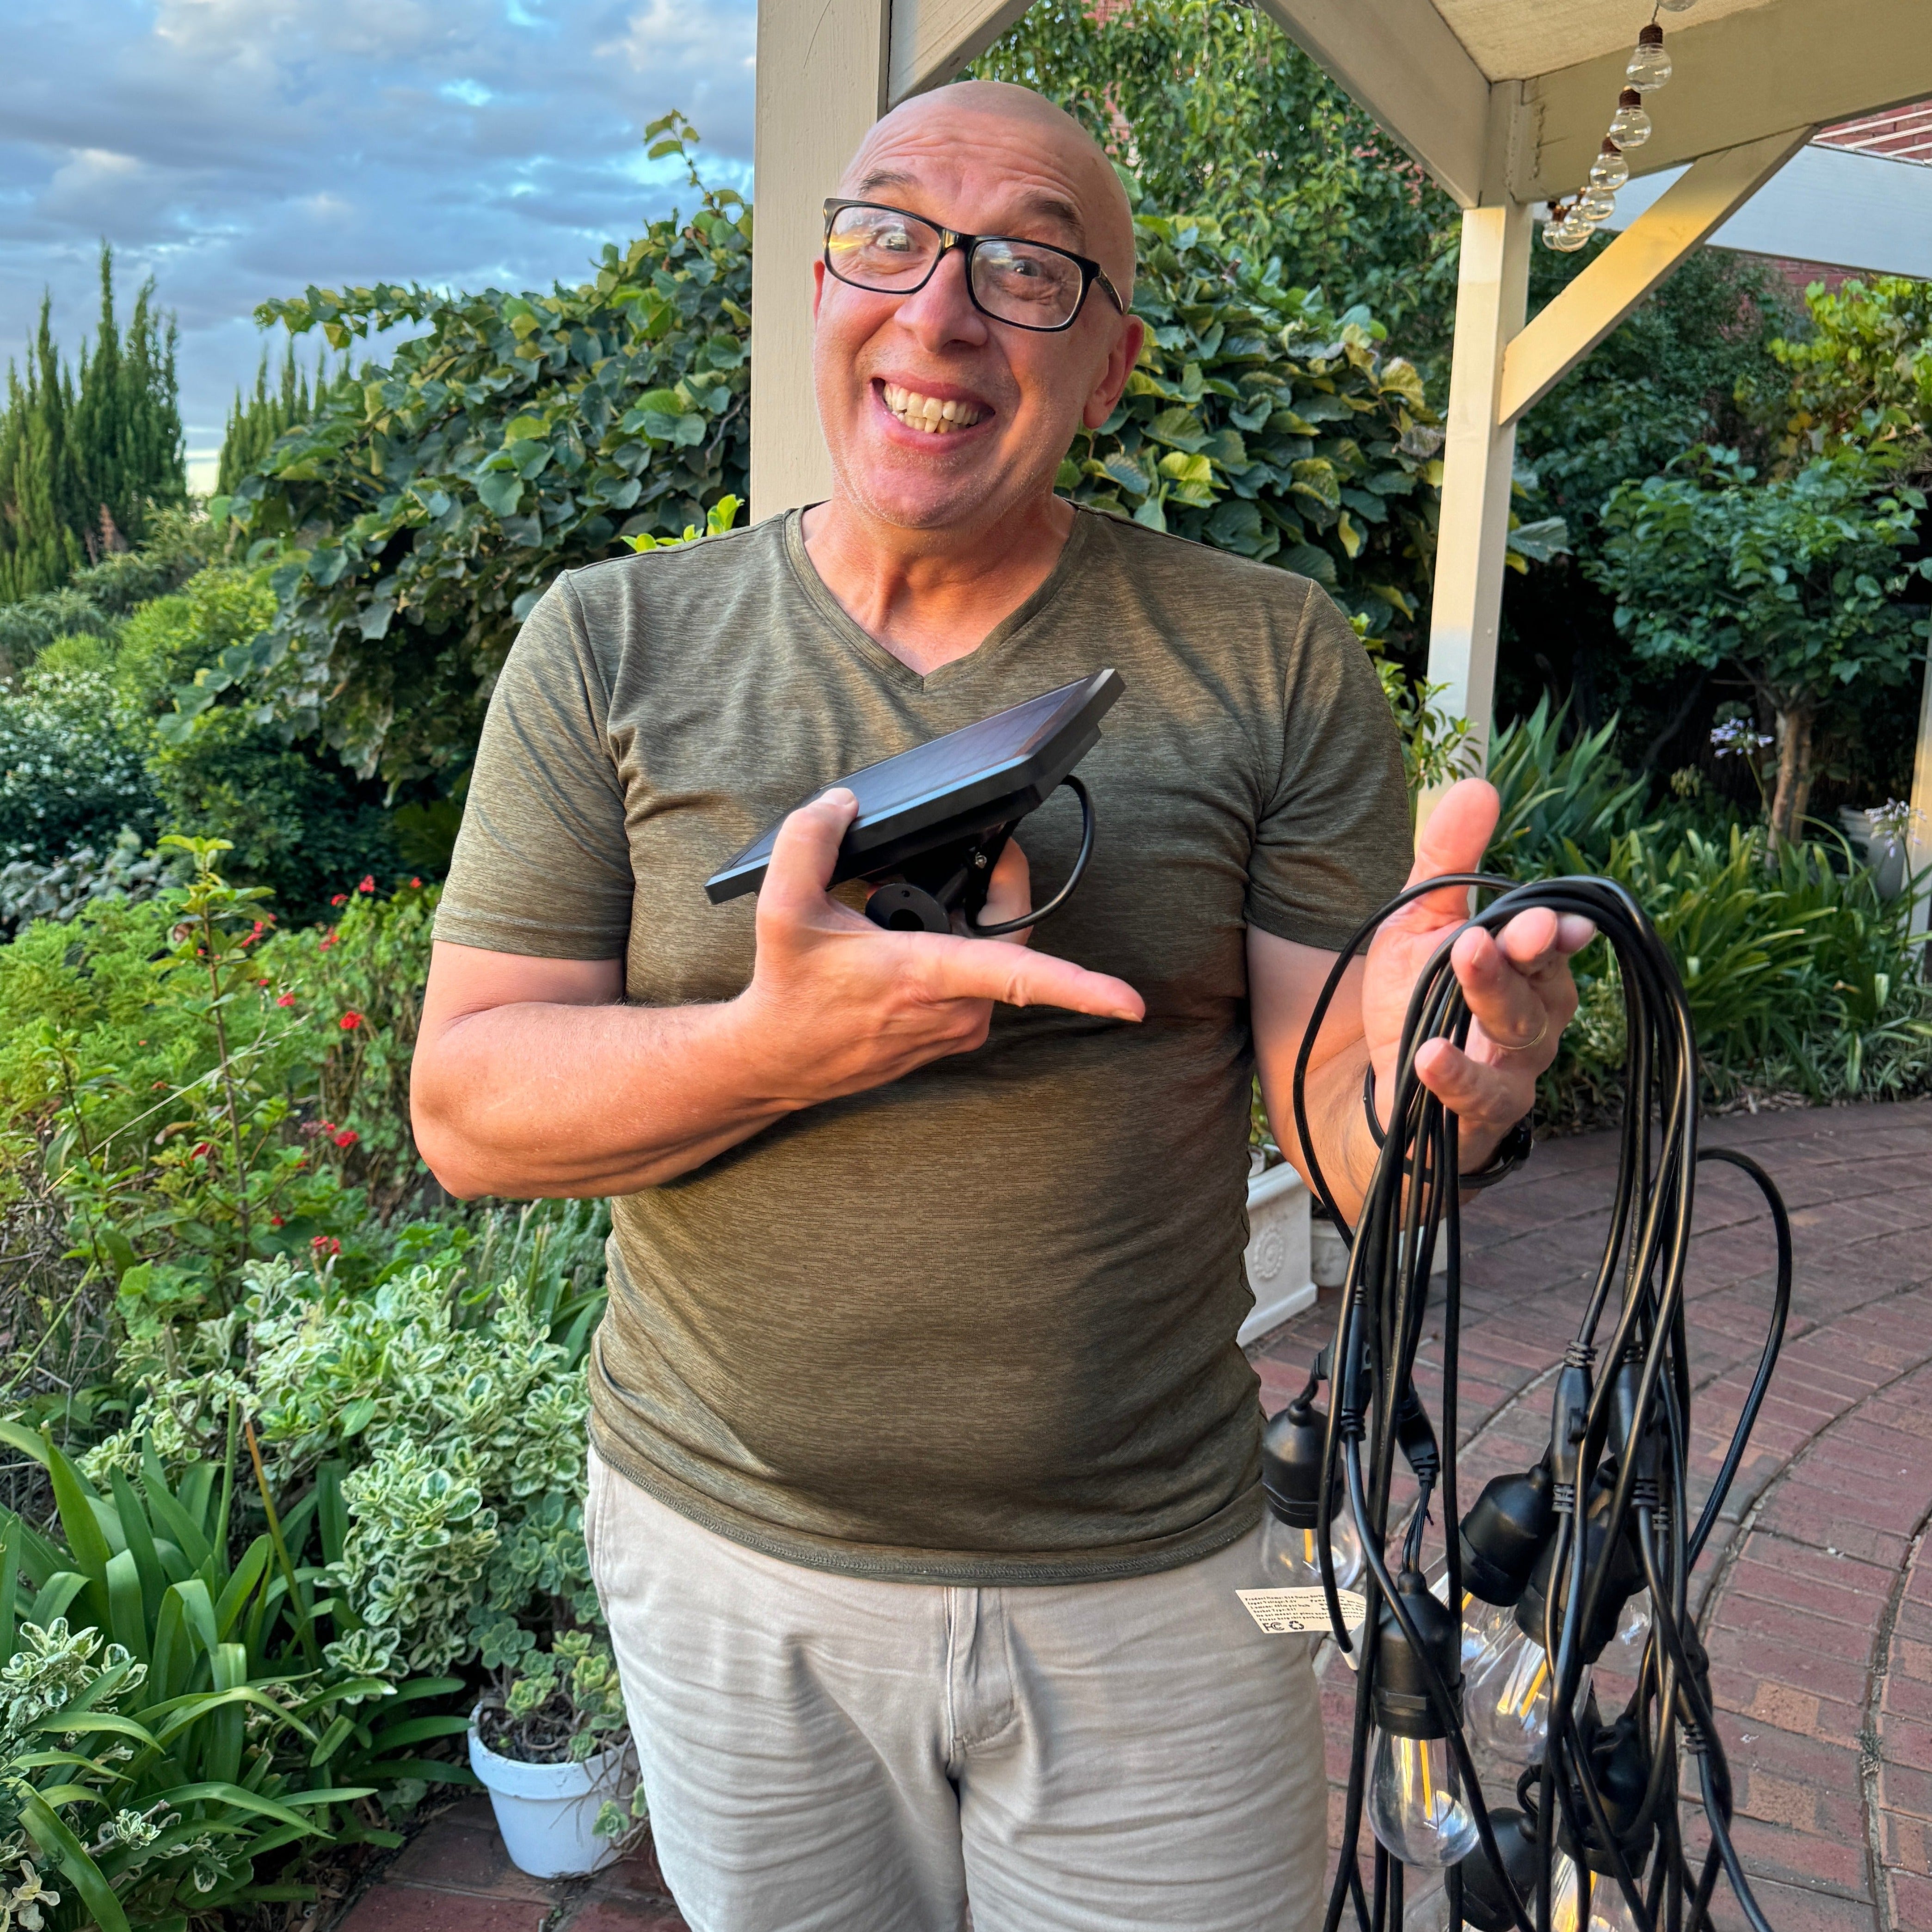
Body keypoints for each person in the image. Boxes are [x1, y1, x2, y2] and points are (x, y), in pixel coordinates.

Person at [410, 78, 1591, 1932]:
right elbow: (468, 1110)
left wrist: (1444, 1089)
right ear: (820, 286)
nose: (941, 308)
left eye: (1028, 268)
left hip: (1166, 1575)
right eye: (890, 236)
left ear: (1109, 364)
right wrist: (776, 1043)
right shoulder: (610, 643)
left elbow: (1350, 1147)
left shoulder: (1264, 651)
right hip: (727, 1570)